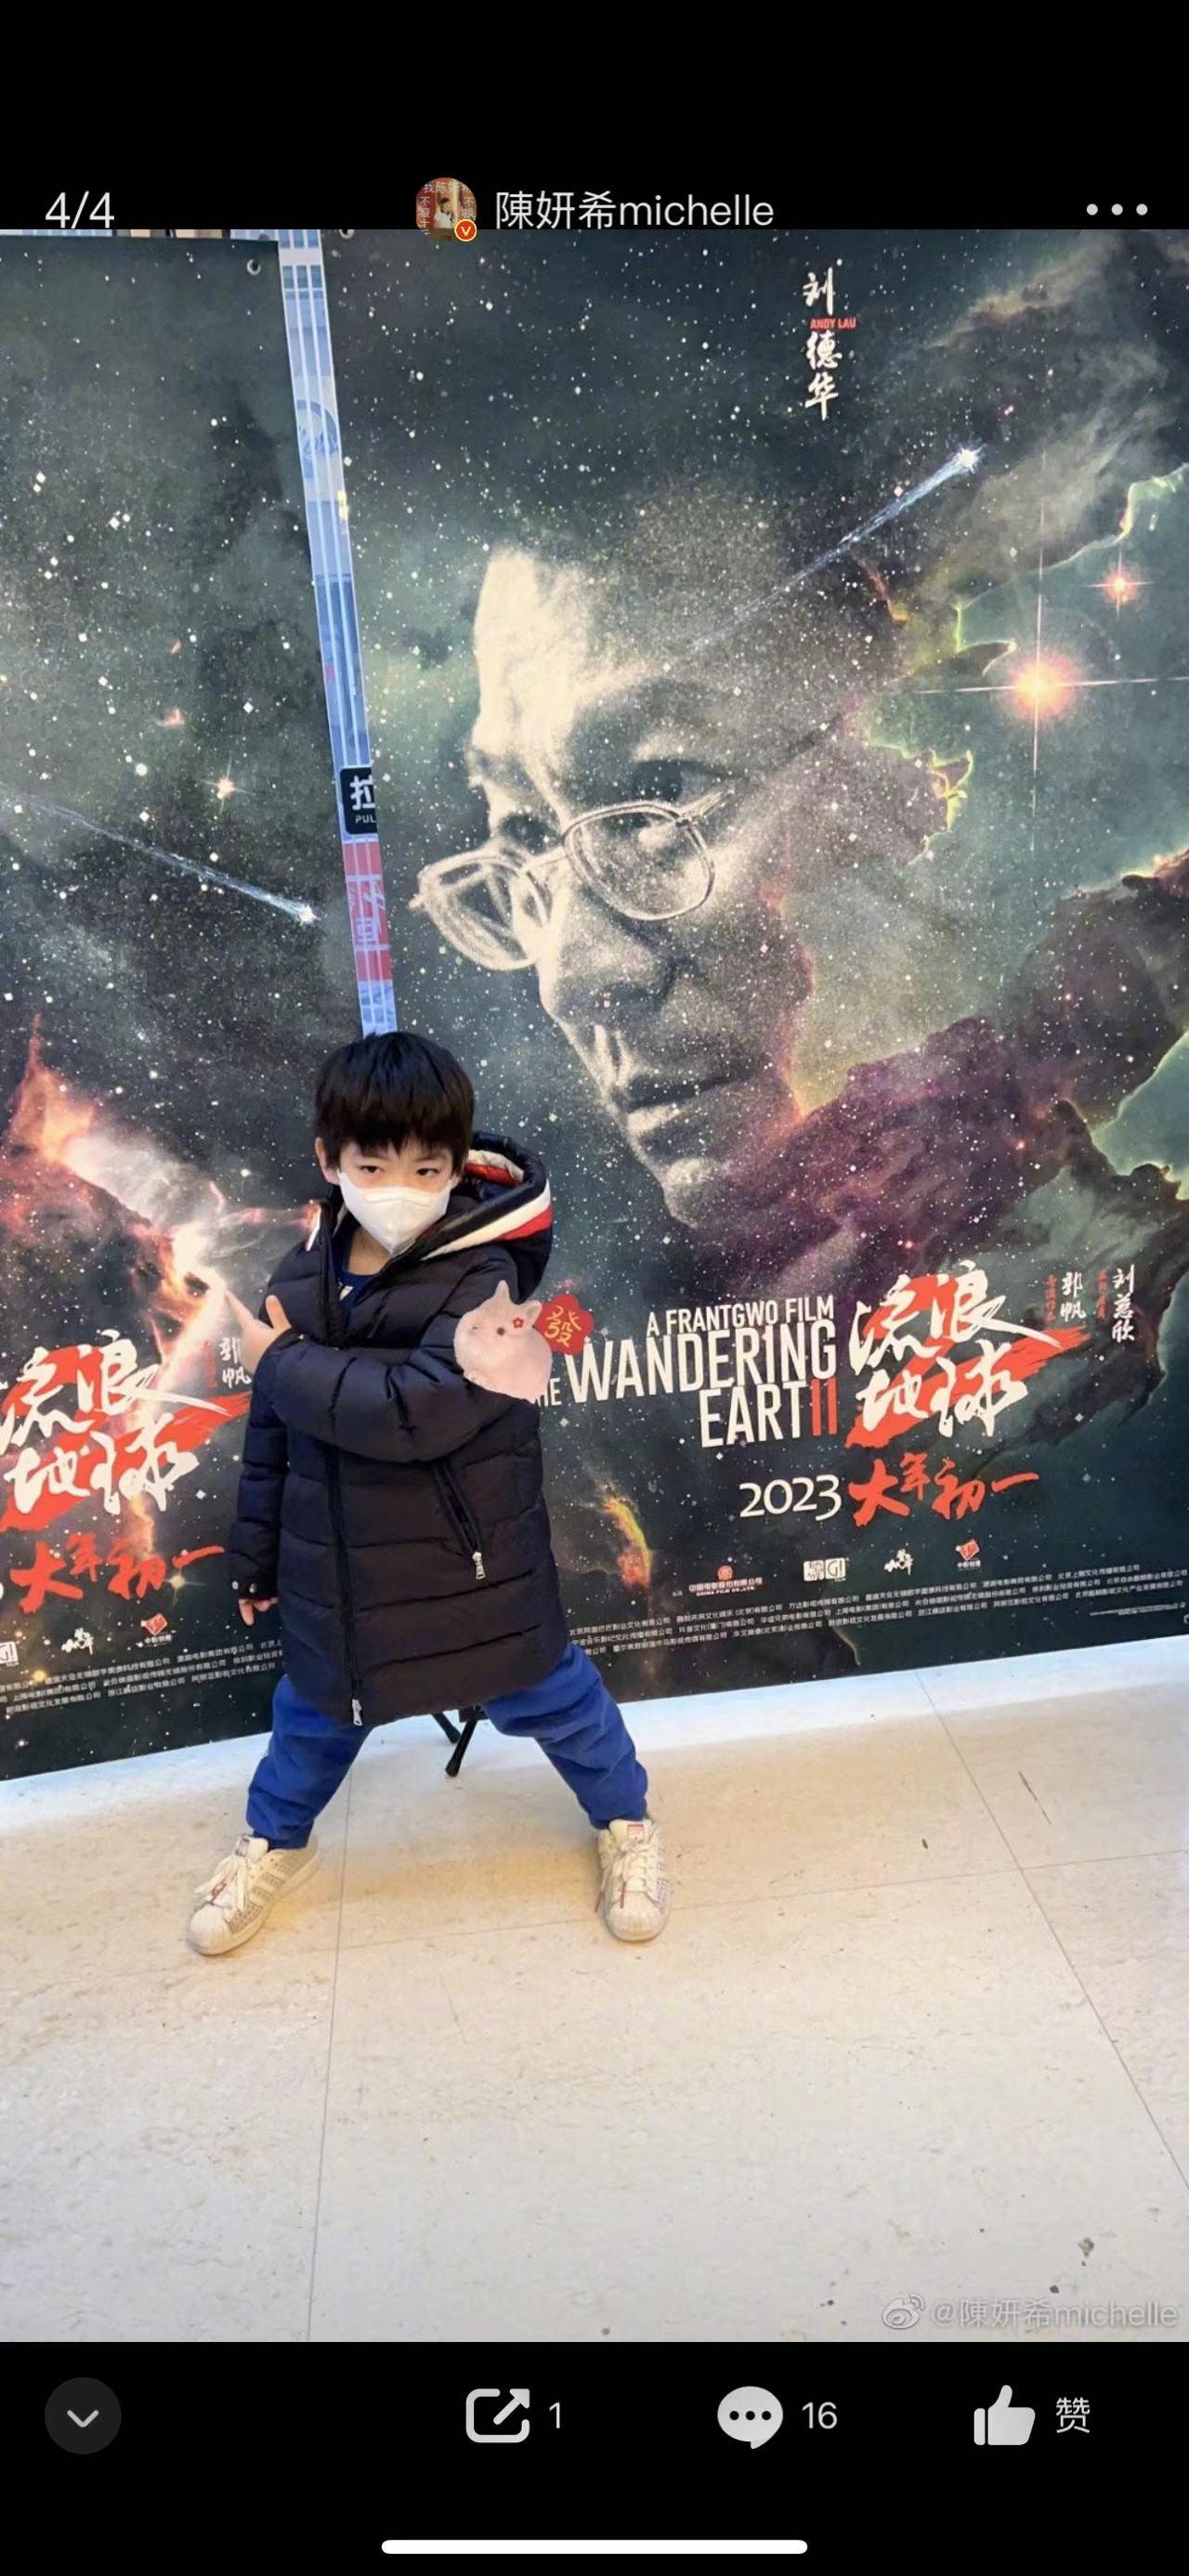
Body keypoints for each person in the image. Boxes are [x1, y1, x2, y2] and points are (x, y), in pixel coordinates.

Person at [187, 1029, 670, 1957]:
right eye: (373, 1165)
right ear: (329, 1159)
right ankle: (273, 1844)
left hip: (474, 1575)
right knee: (309, 1726)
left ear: (456, 1165)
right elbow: (275, 1433)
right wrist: (255, 1554)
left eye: (426, 1167)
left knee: (563, 1708)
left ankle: (628, 1825)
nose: (399, 1188)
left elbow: (418, 1412)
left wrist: (281, 1360)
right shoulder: (300, 1276)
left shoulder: (486, 1278)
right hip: (345, 1587)